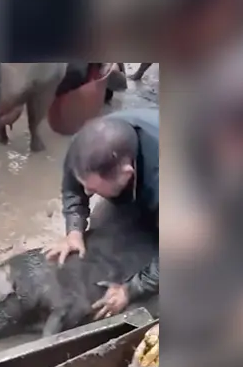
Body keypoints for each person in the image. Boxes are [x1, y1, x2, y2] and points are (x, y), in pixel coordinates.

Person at [45, 108, 159, 320]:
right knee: (102, 232)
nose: (88, 192)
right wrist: (74, 230)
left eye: (94, 188)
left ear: (126, 175)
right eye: (86, 185)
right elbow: (73, 189)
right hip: (144, 183)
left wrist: (131, 289)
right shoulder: (84, 148)